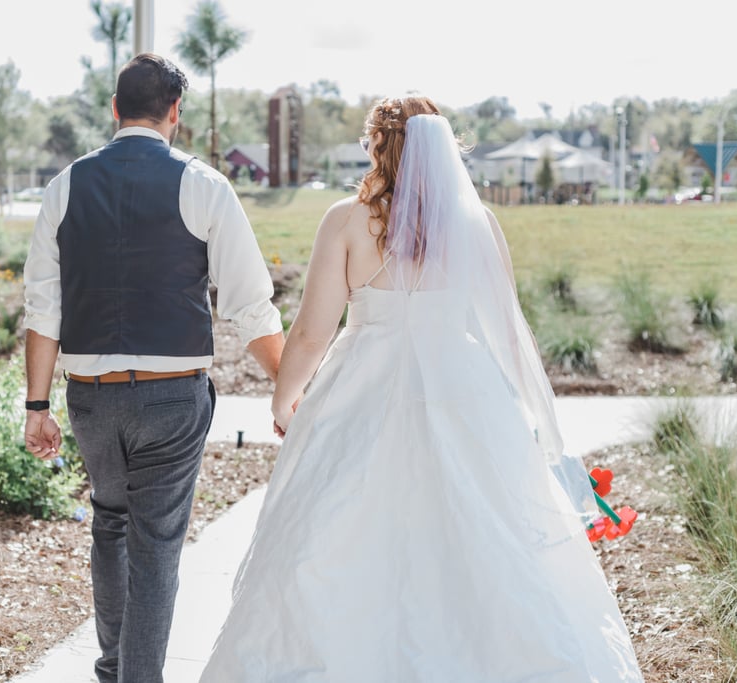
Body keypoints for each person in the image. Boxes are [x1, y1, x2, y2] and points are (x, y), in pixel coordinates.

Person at [199, 97, 644, 682]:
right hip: (462, 386)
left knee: (336, 532)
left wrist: (286, 399)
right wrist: (526, 412)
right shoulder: (478, 223)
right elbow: (508, 333)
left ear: (378, 147)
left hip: (361, 385)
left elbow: (311, 332)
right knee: (479, 531)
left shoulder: (346, 219)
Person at [22, 53, 285, 683]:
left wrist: (36, 407)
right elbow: (250, 306)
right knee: (157, 549)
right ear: (175, 114)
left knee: (110, 524)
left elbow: (42, 306)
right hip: (171, 400)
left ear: (114, 110)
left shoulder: (65, 187)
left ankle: (115, 672)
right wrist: (294, 387)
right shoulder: (204, 185)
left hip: (90, 399)